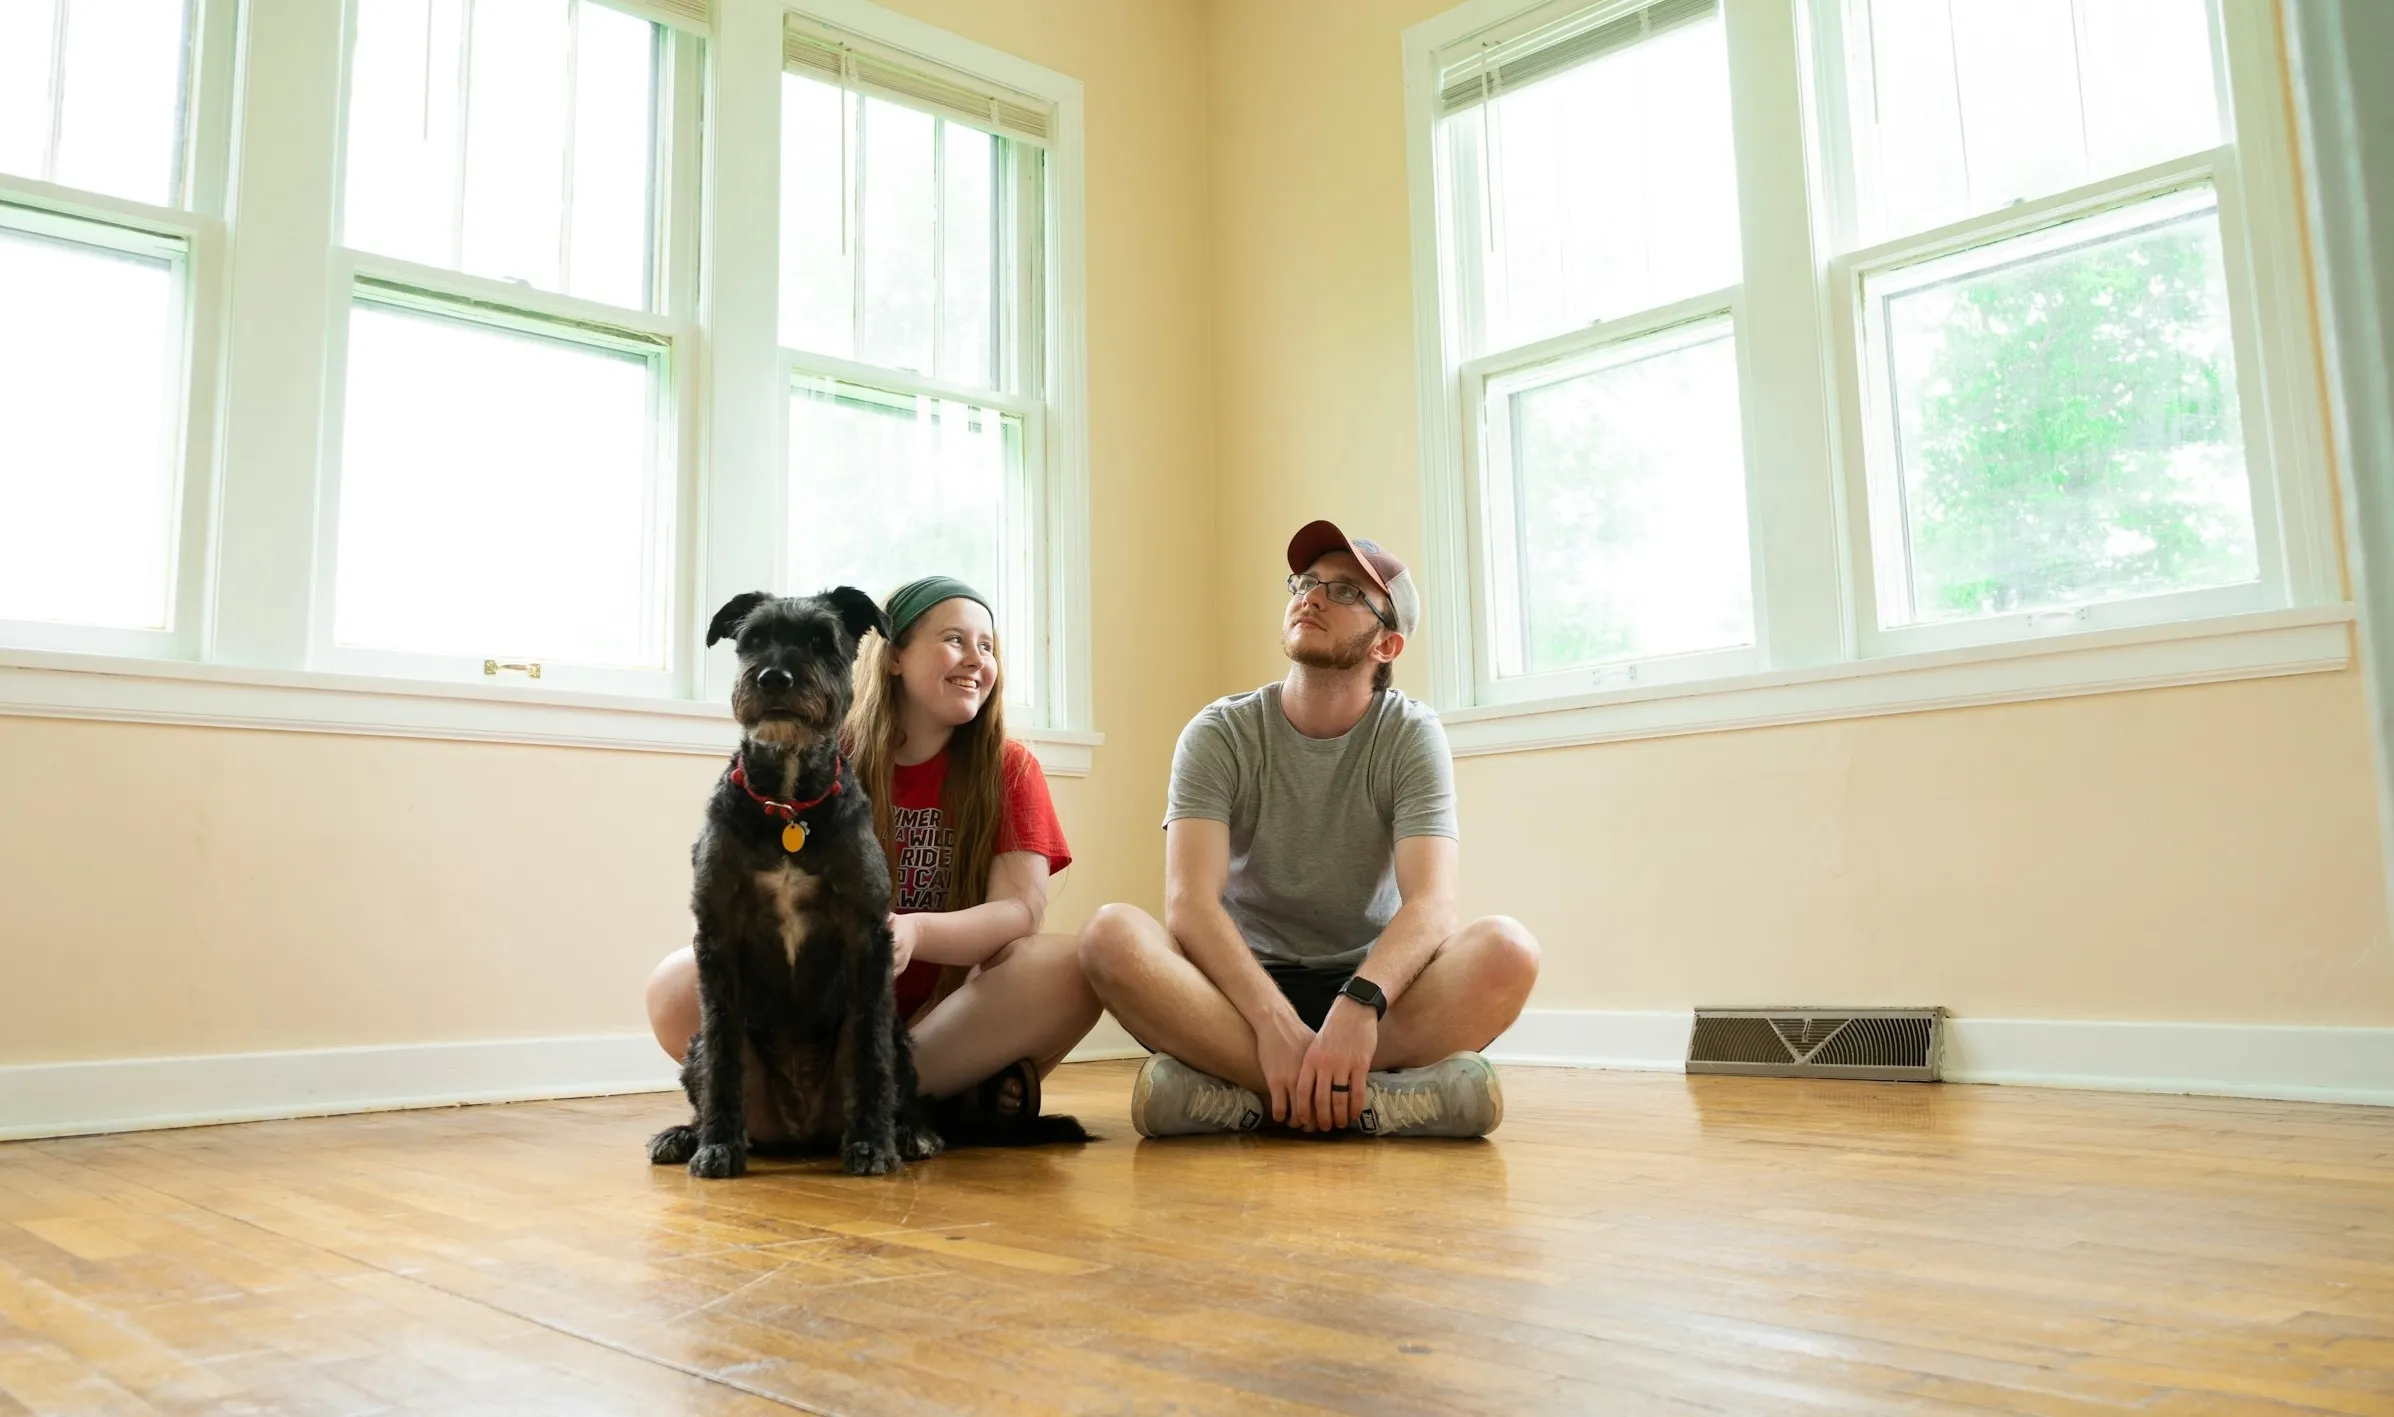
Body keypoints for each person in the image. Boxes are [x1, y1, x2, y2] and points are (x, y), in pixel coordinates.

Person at [1078, 521, 1540, 1139]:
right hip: (1239, 991)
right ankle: (1376, 1100)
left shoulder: (1411, 734)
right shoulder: (1220, 732)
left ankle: (1242, 1097)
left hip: (1375, 989)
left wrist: (1360, 1004)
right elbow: (1190, 904)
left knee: (1509, 950)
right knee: (1109, 935)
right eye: (1305, 582)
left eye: (1346, 591)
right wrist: (1270, 1019)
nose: (1313, 597)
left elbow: (1432, 904)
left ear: (1387, 645)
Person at [647, 576, 1099, 1124]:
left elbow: (1020, 911)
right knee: (674, 984)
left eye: (987, 646)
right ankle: (931, 1102)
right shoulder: (823, 752)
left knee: (1070, 967)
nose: (975, 659)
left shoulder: (1011, 768)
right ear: (893, 656)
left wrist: (916, 931)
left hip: (947, 1016)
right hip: (820, 1016)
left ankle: (880, 1095)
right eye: (954, 639)